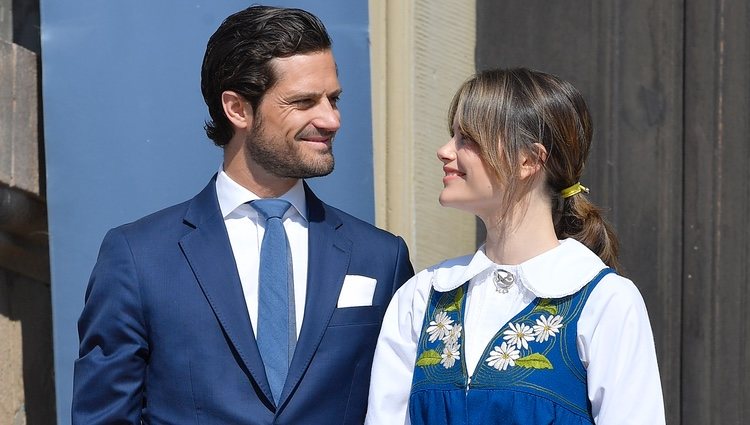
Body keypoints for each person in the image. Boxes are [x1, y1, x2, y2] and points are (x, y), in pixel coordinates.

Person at [72, 5, 413, 424]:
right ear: (237, 109)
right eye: (304, 101)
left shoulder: (381, 257)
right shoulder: (138, 257)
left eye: (334, 99)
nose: (331, 119)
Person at [365, 68, 665, 424]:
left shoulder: (603, 301)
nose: (444, 151)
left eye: (467, 139)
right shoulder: (421, 296)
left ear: (528, 160)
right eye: (453, 136)